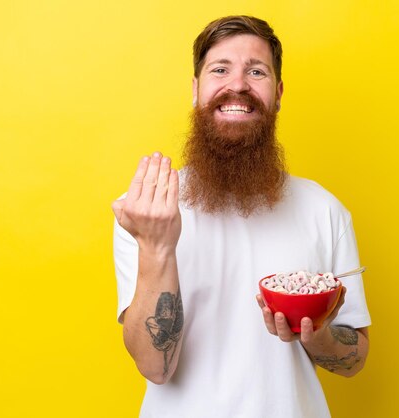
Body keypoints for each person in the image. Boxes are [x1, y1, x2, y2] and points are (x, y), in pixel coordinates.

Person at [112, 15, 371, 418]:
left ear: (279, 92)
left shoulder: (324, 209)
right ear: (196, 90)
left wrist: (316, 334)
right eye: (220, 69)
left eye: (256, 71)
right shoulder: (147, 208)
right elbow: (153, 366)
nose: (238, 85)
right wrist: (157, 246)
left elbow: (354, 358)